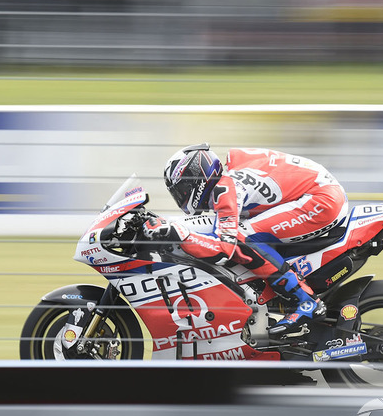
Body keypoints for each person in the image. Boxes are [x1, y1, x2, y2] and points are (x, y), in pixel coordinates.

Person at [143, 144, 349, 336]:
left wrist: (183, 236)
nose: (182, 197)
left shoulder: (225, 190)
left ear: (195, 179)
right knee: (246, 233)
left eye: (182, 190)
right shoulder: (232, 171)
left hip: (322, 199)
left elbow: (225, 248)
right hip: (321, 190)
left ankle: (307, 301)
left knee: (244, 239)